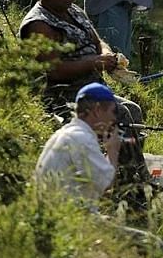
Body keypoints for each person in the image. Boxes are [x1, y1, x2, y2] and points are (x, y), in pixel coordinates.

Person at [19, 0, 150, 203]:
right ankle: (133, 192)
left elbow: (97, 41)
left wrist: (107, 55)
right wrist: (94, 63)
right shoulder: (38, 25)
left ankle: (128, 178)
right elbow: (54, 70)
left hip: (92, 90)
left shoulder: (73, 10)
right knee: (120, 114)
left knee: (133, 109)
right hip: (63, 97)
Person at [35, 82, 121, 211]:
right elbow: (106, 189)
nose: (114, 118)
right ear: (97, 110)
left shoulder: (63, 133)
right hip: (66, 218)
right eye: (113, 112)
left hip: (51, 214)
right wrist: (113, 150)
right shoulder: (83, 139)